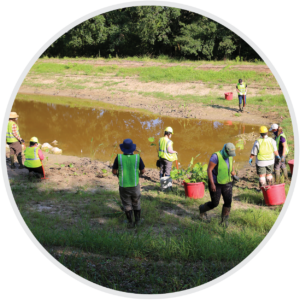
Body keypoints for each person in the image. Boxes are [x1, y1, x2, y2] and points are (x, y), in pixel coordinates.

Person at [199, 143, 237, 227]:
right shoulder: (215, 156)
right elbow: (209, 170)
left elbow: (231, 165)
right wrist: (212, 184)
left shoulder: (230, 155)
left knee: (228, 202)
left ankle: (224, 221)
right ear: (225, 150)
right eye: (229, 154)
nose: (230, 156)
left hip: (227, 182)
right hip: (216, 183)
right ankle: (202, 208)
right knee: (215, 203)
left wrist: (233, 173)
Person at [112, 139, 146, 228]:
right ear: (133, 149)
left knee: (127, 204)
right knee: (136, 203)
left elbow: (114, 171)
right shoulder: (137, 157)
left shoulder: (119, 157)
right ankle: (138, 221)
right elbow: (143, 171)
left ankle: (130, 222)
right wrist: (139, 174)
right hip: (135, 185)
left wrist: (118, 174)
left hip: (123, 186)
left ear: (123, 149)